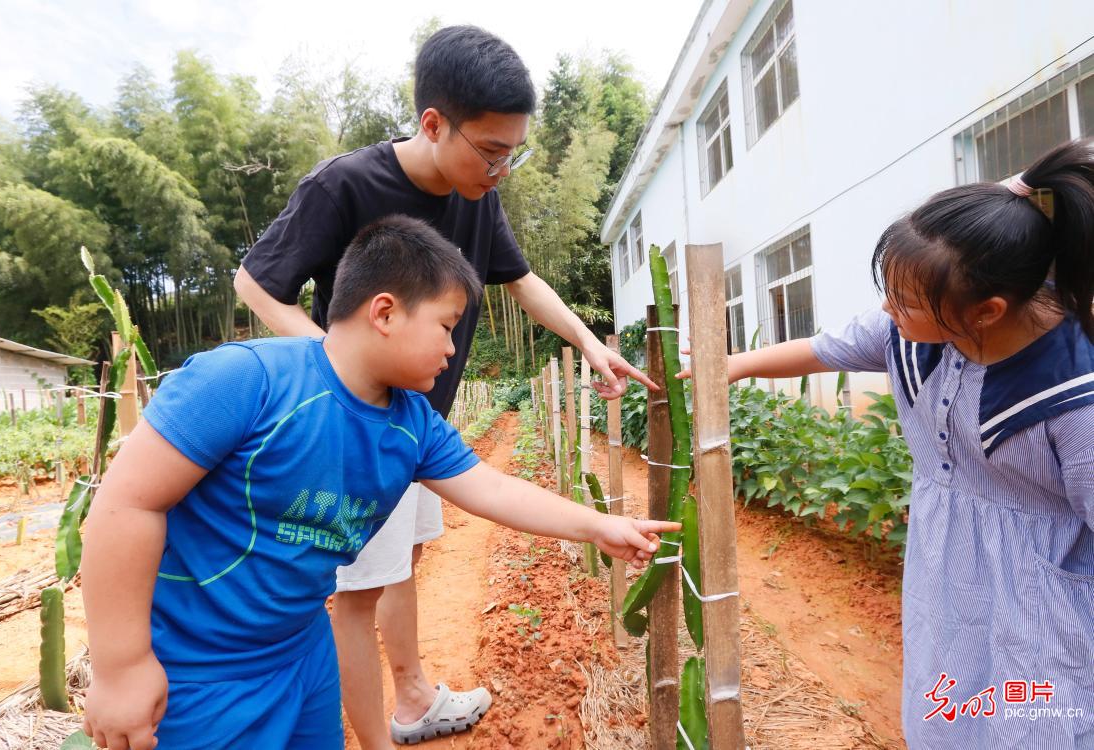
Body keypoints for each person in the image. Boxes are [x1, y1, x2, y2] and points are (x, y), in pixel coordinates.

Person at [80, 216, 677, 750]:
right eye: (445, 327)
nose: (452, 348)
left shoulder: (412, 423)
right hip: (199, 671)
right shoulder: (247, 380)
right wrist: (122, 666)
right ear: (385, 313)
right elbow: (125, 504)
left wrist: (598, 525)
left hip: (305, 651)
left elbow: (492, 489)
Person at [234, 24, 655, 748]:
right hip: (355, 431)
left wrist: (587, 342)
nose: (501, 169)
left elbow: (520, 280)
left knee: (406, 560)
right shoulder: (345, 183)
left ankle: (413, 695)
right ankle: (373, 732)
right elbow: (255, 284)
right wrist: (343, 374)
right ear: (433, 123)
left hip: (415, 421)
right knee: (356, 598)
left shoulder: (475, 192)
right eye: (491, 150)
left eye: (511, 153)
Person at [682, 139, 1094, 746]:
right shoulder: (911, 331)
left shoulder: (1074, 393)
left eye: (903, 298)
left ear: (985, 312)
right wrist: (729, 365)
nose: (886, 307)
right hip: (947, 581)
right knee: (949, 711)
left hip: (1046, 606)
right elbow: (823, 349)